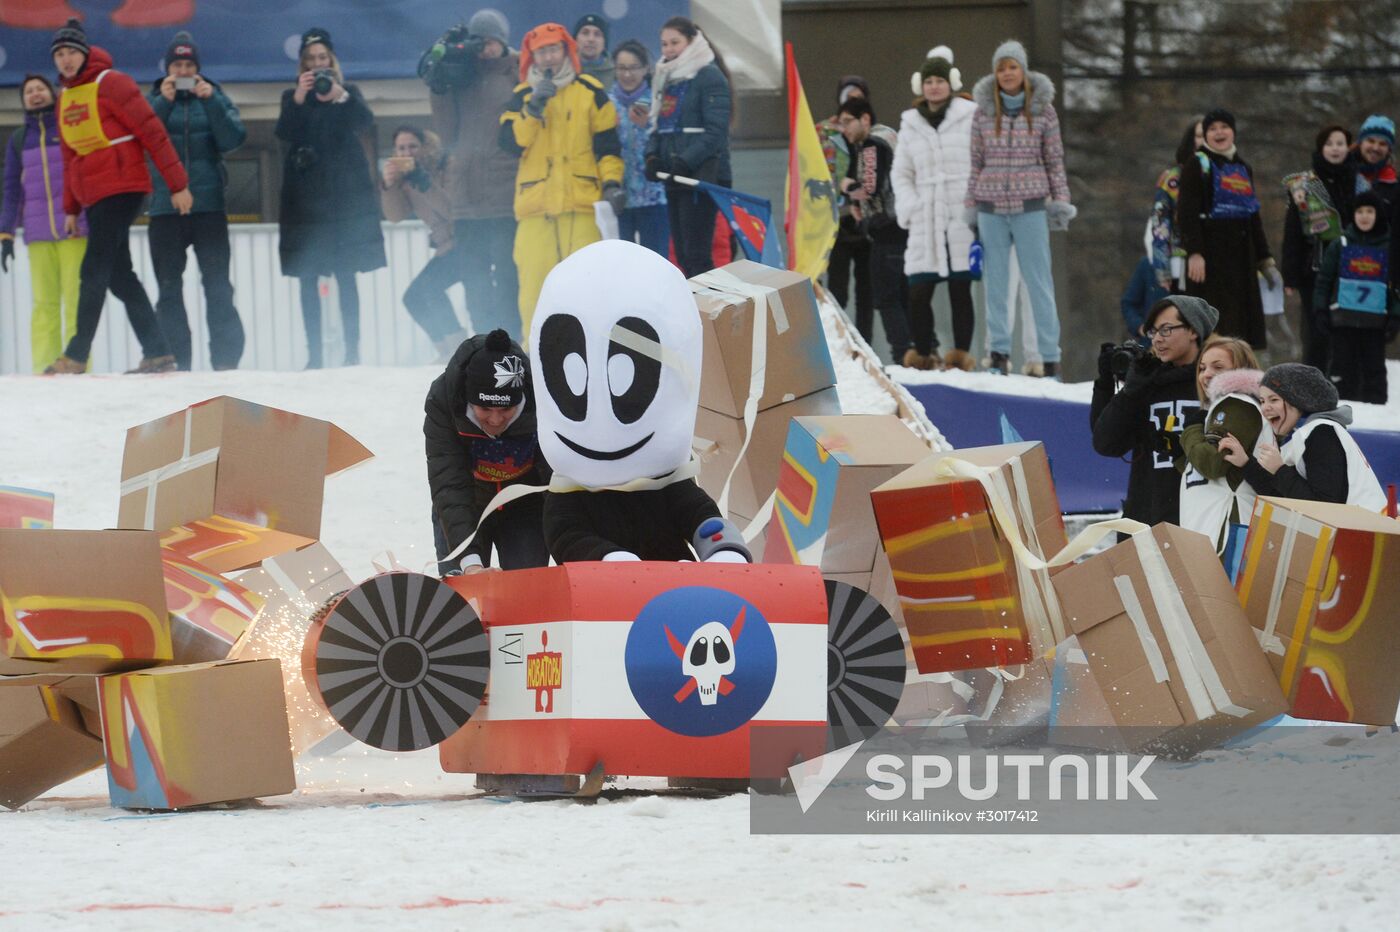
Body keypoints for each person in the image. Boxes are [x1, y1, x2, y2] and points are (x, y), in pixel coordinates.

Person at [531, 240, 751, 564]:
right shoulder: (568, 494)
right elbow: (566, 537)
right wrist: (605, 557)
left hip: (671, 593)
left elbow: (699, 514)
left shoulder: (666, 481)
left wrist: (723, 548)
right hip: (597, 604)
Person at [45, 19, 188, 375]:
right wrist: (71, 209)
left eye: (71, 52)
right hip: (94, 195)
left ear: (84, 53)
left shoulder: (112, 83)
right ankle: (158, 353)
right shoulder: (64, 98)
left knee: (93, 268)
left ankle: (76, 355)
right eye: (59, 54)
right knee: (119, 275)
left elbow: (153, 132)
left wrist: (178, 185)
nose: (65, 60)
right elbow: (69, 158)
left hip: (124, 186)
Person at [500, 22, 623, 338]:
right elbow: (510, 142)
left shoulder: (591, 91)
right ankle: (534, 359)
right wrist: (534, 108)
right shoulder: (520, 97)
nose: (549, 57)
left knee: (587, 289)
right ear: (532, 57)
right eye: (542, 52)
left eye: (554, 49)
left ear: (566, 50)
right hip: (535, 210)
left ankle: (590, 352)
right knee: (533, 293)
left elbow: (608, 146)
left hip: (581, 207)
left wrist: (612, 183)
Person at [276, 27, 386, 369]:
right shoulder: (292, 97)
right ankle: (315, 357)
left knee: (345, 274)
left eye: (322, 58)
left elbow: (365, 121)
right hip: (305, 203)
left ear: (332, 60)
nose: (317, 65)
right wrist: (298, 98)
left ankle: (353, 352)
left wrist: (340, 95)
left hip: (344, 202)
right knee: (308, 276)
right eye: (310, 60)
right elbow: (284, 133)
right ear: (302, 66)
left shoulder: (347, 93)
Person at [966, 40, 1074, 377]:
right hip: (991, 206)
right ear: (995, 74)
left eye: (1012, 67)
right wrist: (971, 205)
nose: (1007, 73)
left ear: (1023, 70)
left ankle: (1049, 355)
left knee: (1039, 282)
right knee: (996, 285)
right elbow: (975, 162)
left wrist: (1060, 201)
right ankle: (997, 354)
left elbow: (1054, 161)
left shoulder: (1044, 110)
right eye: (1001, 68)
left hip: (1030, 207)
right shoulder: (984, 112)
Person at [146, 31, 247, 371]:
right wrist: (162, 102)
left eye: (189, 65)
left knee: (218, 286)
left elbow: (234, 139)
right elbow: (141, 141)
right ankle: (178, 362)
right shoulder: (154, 99)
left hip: (209, 207)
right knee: (169, 288)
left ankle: (226, 363)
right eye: (178, 64)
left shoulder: (214, 96)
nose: (184, 71)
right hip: (164, 207)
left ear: (198, 69)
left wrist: (212, 101)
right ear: (168, 68)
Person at [424, 10, 521, 339]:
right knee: (474, 276)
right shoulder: (461, 76)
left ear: (503, 41)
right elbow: (447, 132)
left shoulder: (516, 70)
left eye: (492, 41)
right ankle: (482, 342)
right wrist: (439, 87)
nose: (486, 49)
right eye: (480, 41)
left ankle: (513, 338)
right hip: (465, 193)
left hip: (505, 192)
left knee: (508, 274)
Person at [424, 328, 551, 575]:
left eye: (506, 410)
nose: (495, 420)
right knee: (463, 595)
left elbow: (555, 478)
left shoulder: (543, 396)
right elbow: (449, 482)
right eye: (484, 409)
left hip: (525, 504)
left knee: (525, 592)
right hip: (466, 500)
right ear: (469, 400)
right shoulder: (445, 399)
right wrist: (470, 564)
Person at [1091, 295, 1218, 528]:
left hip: (1202, 523)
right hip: (1146, 522)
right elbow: (1106, 443)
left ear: (1193, 330)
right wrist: (1123, 390)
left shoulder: (1217, 383)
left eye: (1167, 330)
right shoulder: (1146, 381)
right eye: (1153, 332)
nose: (1158, 339)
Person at [892, 49, 978, 371]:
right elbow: (901, 172)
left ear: (951, 83)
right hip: (925, 215)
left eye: (940, 80)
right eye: (928, 80)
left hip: (959, 212)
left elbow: (979, 162)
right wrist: (910, 206)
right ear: (920, 85)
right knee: (918, 289)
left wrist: (973, 204)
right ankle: (924, 355)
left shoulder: (970, 115)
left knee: (960, 286)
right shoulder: (910, 124)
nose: (934, 86)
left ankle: (959, 356)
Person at [0, 74, 88, 374]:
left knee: (76, 302)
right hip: (37, 234)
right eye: (29, 91)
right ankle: (44, 367)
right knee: (44, 304)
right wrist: (6, 233)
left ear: (52, 95)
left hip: (73, 228)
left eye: (40, 89)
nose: (35, 94)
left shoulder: (68, 128)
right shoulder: (19, 139)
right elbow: (11, 189)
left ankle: (78, 363)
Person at [1176, 108, 1278, 350]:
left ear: (1233, 132)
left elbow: (1253, 216)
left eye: (1224, 127)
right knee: (1212, 323)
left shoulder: (1243, 167)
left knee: (1241, 327)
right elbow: (1187, 213)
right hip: (1210, 260)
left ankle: (1239, 375)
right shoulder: (1197, 165)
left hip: (1242, 258)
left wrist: (1265, 260)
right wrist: (1195, 252)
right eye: (1212, 129)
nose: (1219, 133)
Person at [1221, 363, 1386, 510]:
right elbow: (1281, 497)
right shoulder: (1304, 434)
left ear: (1301, 401)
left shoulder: (1322, 433)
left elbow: (1324, 507)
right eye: (1262, 401)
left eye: (1274, 400)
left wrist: (1279, 470)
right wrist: (1246, 463)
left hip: (1365, 537)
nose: (1265, 408)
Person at [644, 16, 732, 278]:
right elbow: (657, 124)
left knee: (697, 255)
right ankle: (695, 313)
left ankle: (710, 313)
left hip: (702, 177)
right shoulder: (667, 78)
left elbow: (716, 132)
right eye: (664, 44)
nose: (669, 49)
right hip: (675, 175)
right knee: (682, 255)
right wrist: (652, 156)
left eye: (675, 42)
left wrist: (686, 160)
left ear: (692, 41)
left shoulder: (709, 76)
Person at [381, 125, 468, 359]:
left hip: (467, 240)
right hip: (446, 246)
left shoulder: (445, 164)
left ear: (424, 147)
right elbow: (395, 215)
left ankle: (458, 350)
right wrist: (390, 186)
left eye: (412, 146)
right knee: (413, 298)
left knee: (430, 289)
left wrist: (424, 182)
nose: (407, 152)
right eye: (401, 148)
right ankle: (445, 351)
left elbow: (452, 210)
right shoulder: (406, 177)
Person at [837, 97, 911, 364]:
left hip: (886, 229)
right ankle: (918, 351)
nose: (844, 129)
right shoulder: (890, 135)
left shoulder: (870, 144)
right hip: (904, 228)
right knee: (904, 295)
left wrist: (847, 187)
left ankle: (903, 355)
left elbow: (870, 186)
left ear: (865, 119)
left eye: (847, 122)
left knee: (886, 296)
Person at [1177, 336, 1263, 553]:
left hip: (1227, 533)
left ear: (1240, 370)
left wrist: (1191, 431)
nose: (1206, 375)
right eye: (1202, 367)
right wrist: (1178, 455)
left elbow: (1213, 465)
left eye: (1218, 367)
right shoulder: (1220, 409)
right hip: (1209, 531)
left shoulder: (1237, 405)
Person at [1314, 190, 1399, 403]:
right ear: (1353, 215)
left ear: (1378, 214)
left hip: (1375, 324)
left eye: (1369, 211)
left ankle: (1377, 413)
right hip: (1343, 321)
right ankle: (1338, 407)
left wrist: (1395, 316)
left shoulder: (1389, 248)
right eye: (1359, 211)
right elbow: (1324, 280)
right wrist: (1320, 310)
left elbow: (1396, 287)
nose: (1364, 216)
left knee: (1374, 370)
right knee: (1341, 367)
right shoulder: (1341, 244)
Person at [1281, 124, 1354, 373]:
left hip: (1351, 267)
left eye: (1340, 143)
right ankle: (1314, 380)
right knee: (1315, 330)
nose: (1335, 149)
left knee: (1346, 328)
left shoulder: (1358, 181)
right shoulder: (1303, 185)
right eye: (1330, 143)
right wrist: (1289, 274)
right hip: (1314, 267)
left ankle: (1345, 381)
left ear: (1348, 147)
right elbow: (1292, 232)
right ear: (1321, 148)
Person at [609, 40, 668, 256]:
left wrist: (647, 127)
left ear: (645, 69)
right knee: (622, 265)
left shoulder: (658, 101)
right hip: (619, 200)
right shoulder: (607, 103)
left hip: (654, 197)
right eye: (622, 68)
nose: (627, 74)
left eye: (634, 67)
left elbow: (667, 144)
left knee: (656, 261)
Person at [1149, 119, 1202, 294]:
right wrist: (1162, 267)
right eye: (1200, 135)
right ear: (1191, 140)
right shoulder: (1172, 179)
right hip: (1182, 263)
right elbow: (1160, 226)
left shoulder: (1226, 175)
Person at [1352, 114, 1397, 204]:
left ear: (1389, 150)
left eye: (1382, 144)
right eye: (1371, 141)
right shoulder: (1340, 172)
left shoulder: (1393, 185)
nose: (1376, 148)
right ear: (1360, 143)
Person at [1120, 256, 1167, 341]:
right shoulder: (1149, 264)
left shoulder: (1192, 264)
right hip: (1151, 342)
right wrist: (1140, 327)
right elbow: (1128, 303)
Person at [573, 13, 614, 87]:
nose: (591, 39)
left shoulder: (616, 74)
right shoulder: (563, 70)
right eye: (585, 33)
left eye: (597, 34)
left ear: (604, 43)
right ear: (575, 40)